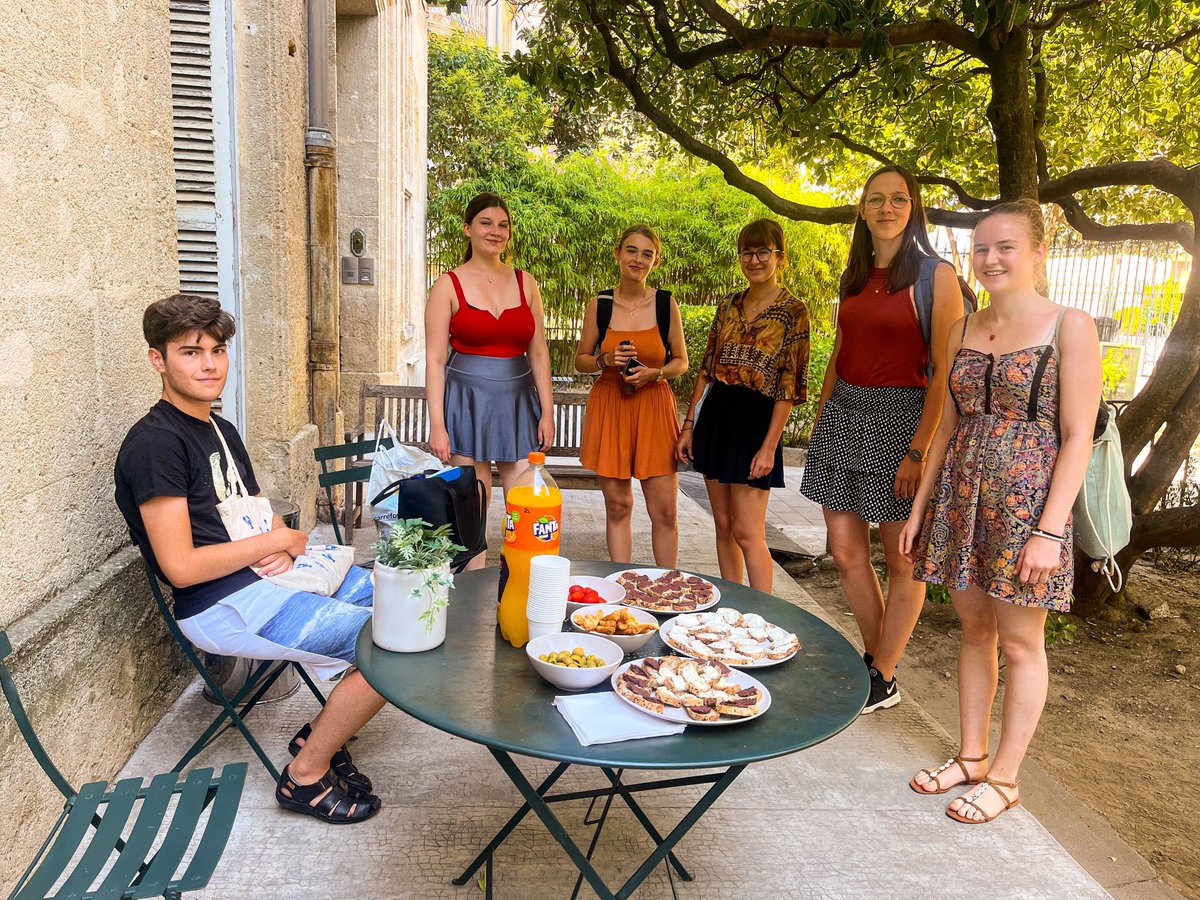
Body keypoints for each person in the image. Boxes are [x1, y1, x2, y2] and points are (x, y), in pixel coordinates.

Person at [114, 294, 386, 825]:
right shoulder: (156, 445)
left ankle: (322, 729)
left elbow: (251, 518)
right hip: (219, 604)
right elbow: (182, 568)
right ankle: (305, 774)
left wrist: (284, 544)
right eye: (190, 352)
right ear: (157, 359)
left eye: (217, 350)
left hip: (263, 580)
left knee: (408, 610)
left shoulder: (219, 428)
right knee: (390, 646)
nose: (210, 364)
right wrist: (276, 543)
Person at [901, 200, 1101, 824]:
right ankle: (972, 756)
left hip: (1028, 508)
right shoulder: (964, 328)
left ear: (1039, 252)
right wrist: (921, 507)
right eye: (982, 248)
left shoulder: (1069, 326)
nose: (990, 258)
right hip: (962, 499)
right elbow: (949, 424)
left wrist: (1049, 530)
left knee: (1020, 642)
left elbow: (1076, 437)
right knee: (975, 631)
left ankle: (1007, 780)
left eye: (1006, 246)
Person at [800, 165, 964, 714]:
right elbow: (842, 349)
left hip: (902, 418)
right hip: (845, 413)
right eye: (876, 199)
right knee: (846, 551)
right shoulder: (854, 275)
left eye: (898, 199)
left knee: (902, 557)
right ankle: (879, 668)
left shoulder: (935, 276)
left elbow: (946, 370)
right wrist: (823, 416)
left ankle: (882, 671)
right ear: (863, 209)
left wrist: (920, 449)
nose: (887, 208)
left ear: (912, 207)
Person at [676, 219, 810, 593]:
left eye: (763, 251)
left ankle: (762, 613)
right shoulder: (730, 303)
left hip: (757, 420)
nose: (754, 260)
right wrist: (688, 425)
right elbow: (706, 367)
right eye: (747, 252)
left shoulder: (793, 311)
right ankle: (732, 605)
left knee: (748, 532)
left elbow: (790, 383)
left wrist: (769, 446)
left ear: (779, 257)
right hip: (718, 414)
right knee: (722, 526)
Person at [425, 192, 554, 568]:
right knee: (473, 510)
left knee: (525, 507)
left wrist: (547, 411)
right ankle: (471, 601)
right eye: (486, 223)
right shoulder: (448, 285)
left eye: (503, 225)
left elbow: (539, 353)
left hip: (517, 401)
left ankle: (523, 591)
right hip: (467, 402)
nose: (495, 231)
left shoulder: (526, 282)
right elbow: (434, 360)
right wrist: (438, 425)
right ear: (467, 229)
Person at [576, 225, 689, 565]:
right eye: (631, 251)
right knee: (619, 506)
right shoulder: (601, 304)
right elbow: (581, 361)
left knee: (665, 512)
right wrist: (604, 360)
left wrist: (656, 373)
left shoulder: (665, 304)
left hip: (654, 406)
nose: (638, 259)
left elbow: (681, 362)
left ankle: (667, 588)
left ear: (655, 261)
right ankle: (621, 585)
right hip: (611, 405)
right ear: (618, 253)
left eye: (647, 254)